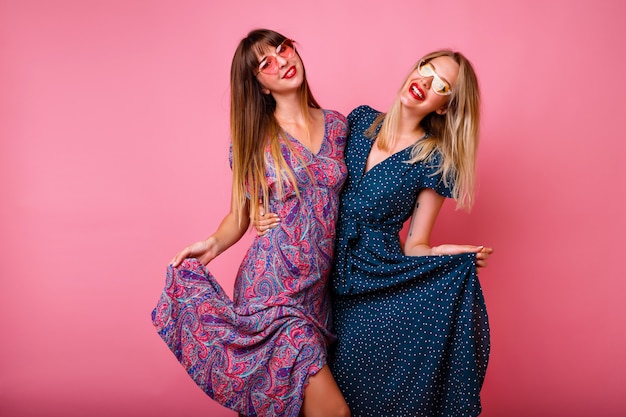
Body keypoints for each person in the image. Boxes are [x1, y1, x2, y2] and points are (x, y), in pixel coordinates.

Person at [256, 50, 493, 416]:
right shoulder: (359, 121)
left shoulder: (434, 160)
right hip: (312, 275)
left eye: (441, 85)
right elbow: (310, 174)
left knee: (350, 398)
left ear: (444, 107)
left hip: (373, 285)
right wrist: (262, 208)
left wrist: (446, 256)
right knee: (288, 387)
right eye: (425, 69)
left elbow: (416, 244)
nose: (425, 83)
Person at [151, 29, 351, 417]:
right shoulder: (255, 138)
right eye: (266, 63)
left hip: (317, 294)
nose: (282, 62)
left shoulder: (339, 126)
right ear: (259, 85)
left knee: (283, 406)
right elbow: (238, 217)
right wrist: (209, 245)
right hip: (271, 287)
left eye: (283, 49)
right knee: (333, 412)